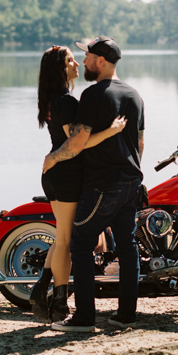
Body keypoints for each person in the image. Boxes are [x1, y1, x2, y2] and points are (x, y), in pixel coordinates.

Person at [43, 36, 144, 333]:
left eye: (87, 56)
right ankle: (126, 315)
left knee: (81, 243)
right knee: (127, 246)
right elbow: (139, 143)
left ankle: (84, 317)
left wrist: (53, 157)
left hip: (102, 183)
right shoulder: (134, 95)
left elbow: (77, 143)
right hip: (131, 181)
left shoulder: (93, 95)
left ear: (101, 61)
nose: (83, 61)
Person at [30, 45, 126, 324]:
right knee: (66, 241)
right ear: (59, 69)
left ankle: (40, 291)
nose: (76, 64)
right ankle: (59, 303)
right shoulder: (67, 102)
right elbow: (78, 144)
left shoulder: (53, 99)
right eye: (70, 61)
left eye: (75, 60)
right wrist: (112, 131)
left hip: (55, 174)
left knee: (63, 237)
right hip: (68, 175)